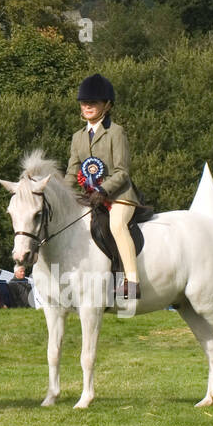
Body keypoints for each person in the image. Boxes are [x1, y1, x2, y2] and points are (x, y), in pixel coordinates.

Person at [65, 73, 144, 314]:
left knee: (117, 225)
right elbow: (72, 172)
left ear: (106, 105)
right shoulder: (78, 137)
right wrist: (63, 195)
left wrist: (103, 189)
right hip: (90, 198)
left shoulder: (116, 132)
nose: (88, 106)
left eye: (94, 103)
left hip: (119, 195)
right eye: (84, 102)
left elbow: (122, 171)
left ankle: (131, 281)